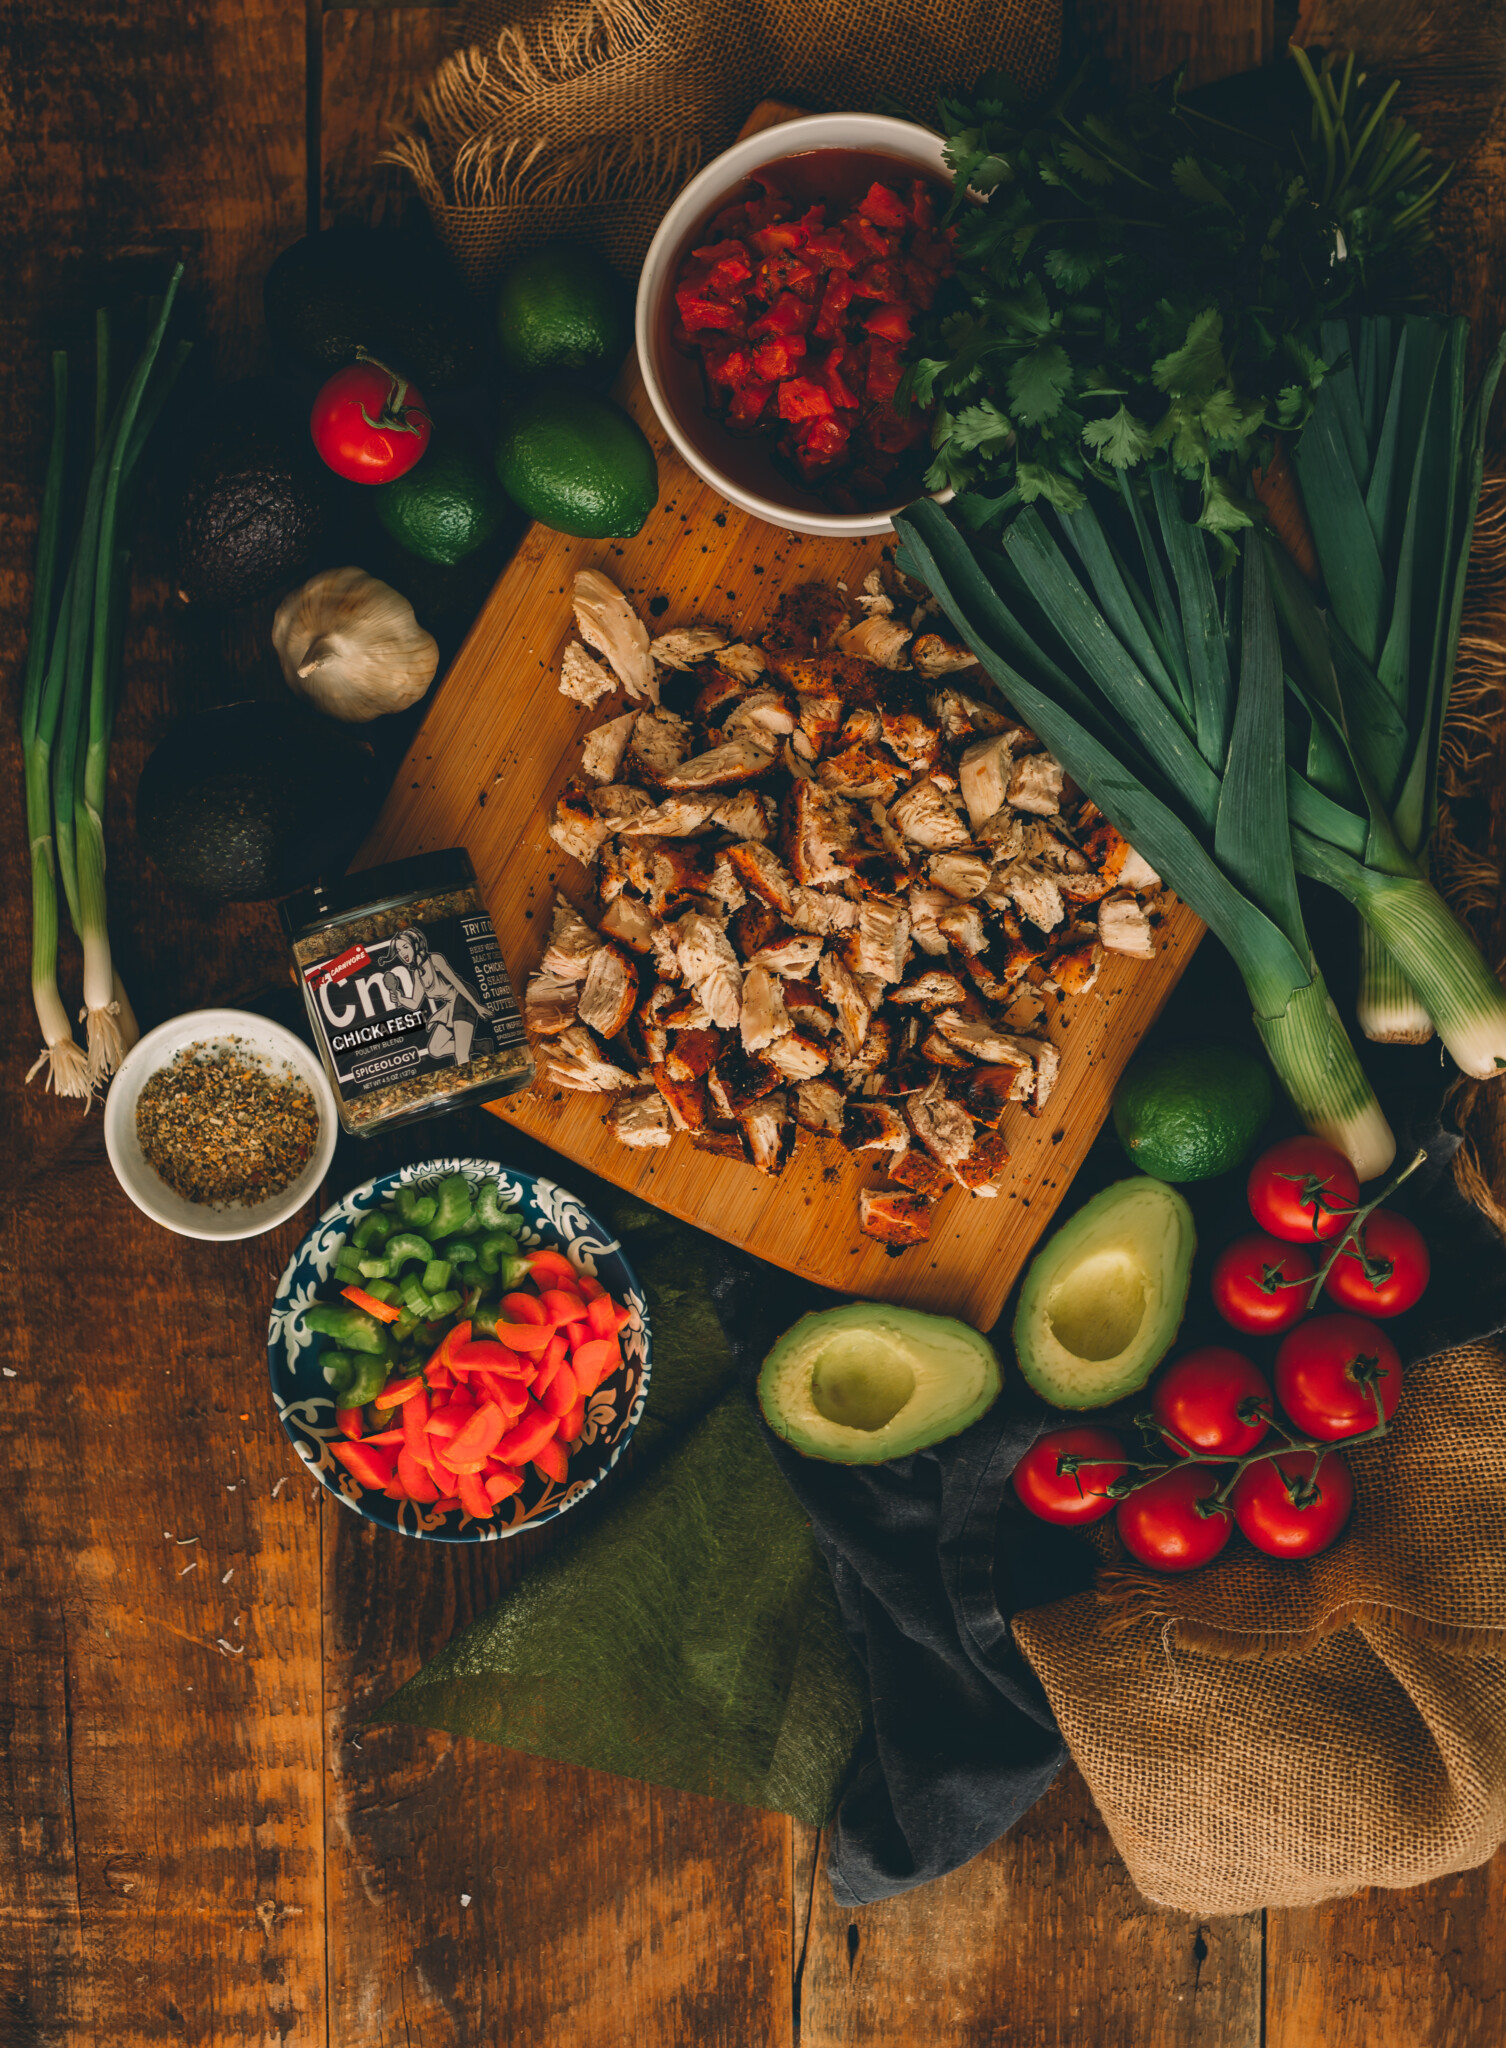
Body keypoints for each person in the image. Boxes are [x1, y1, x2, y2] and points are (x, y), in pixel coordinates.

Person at [385, 927, 487, 1066]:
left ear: (415, 945)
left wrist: (476, 1006)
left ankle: (474, 1076)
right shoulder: (417, 974)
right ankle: (480, 1046)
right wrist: (400, 997)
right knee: (435, 1049)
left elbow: (457, 983)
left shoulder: (435, 960)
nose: (402, 953)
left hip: (463, 998)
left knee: (461, 1055)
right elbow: (415, 1003)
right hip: (450, 1005)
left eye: (405, 947)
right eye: (398, 951)